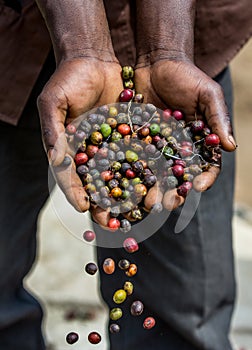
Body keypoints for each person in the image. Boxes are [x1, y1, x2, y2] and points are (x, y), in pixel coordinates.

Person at [0, 0, 251, 349]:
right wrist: (83, 46)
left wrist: (167, 50)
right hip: (14, 34)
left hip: (186, 32)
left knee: (180, 315)